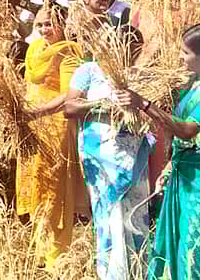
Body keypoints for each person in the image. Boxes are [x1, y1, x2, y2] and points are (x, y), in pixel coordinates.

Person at [116, 23, 200, 280]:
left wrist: (143, 104)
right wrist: (169, 166)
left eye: (185, 52)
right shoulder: (194, 83)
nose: (180, 57)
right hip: (183, 173)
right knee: (176, 242)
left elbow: (186, 130)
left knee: (196, 247)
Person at [64, 26, 151, 280]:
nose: (129, 52)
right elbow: (70, 107)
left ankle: (137, 269)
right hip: (100, 155)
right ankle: (113, 272)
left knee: (135, 211)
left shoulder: (141, 75)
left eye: (134, 48)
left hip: (133, 153)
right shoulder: (89, 71)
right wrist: (104, 105)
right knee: (108, 210)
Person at [17, 5, 86, 269]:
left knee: (55, 188)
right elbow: (28, 83)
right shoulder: (34, 49)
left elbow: (71, 95)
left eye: (50, 24)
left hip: (56, 126)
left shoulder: (69, 52)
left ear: (63, 25)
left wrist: (40, 111)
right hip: (32, 125)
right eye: (40, 24)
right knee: (35, 183)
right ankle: (40, 246)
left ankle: (57, 256)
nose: (45, 29)